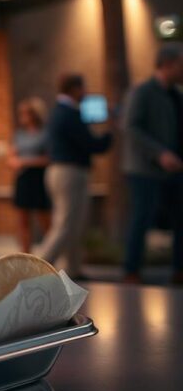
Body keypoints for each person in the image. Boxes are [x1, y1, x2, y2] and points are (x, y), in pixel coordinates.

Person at [37, 74, 112, 278]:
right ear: (74, 89)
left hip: (61, 171)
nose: (85, 92)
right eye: (83, 88)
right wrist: (109, 132)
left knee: (75, 223)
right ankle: (35, 268)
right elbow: (92, 144)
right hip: (69, 172)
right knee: (65, 224)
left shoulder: (60, 112)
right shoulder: (68, 113)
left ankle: (72, 268)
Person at [122, 43, 183, 284]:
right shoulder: (142, 91)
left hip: (175, 170)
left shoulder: (176, 95)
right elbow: (131, 127)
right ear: (168, 64)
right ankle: (131, 271)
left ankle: (179, 269)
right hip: (144, 170)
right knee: (142, 218)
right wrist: (159, 154)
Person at [9, 98, 52, 253]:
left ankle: (50, 255)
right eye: (22, 113)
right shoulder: (19, 134)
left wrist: (26, 161)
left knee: (44, 219)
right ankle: (25, 253)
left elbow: (49, 158)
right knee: (23, 221)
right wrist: (15, 162)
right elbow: (12, 156)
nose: (24, 116)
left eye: (27, 112)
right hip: (23, 179)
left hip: (39, 178)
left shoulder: (45, 133)